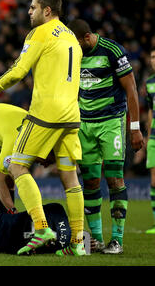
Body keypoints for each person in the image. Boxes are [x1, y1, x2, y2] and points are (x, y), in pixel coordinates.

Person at [0, 0, 85, 256]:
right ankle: (78, 243)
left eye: (33, 7)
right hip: (71, 116)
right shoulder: (71, 37)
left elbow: (18, 72)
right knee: (70, 179)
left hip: (45, 114)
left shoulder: (39, 33)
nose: (28, 12)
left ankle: (42, 228)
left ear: (47, 11)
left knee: (16, 166)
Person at [67, 19, 144, 254]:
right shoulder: (74, 54)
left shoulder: (112, 51)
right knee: (90, 182)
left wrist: (135, 127)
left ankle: (117, 240)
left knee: (114, 178)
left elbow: (131, 89)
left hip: (111, 122)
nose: (76, 49)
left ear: (88, 37)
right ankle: (97, 240)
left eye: (78, 44)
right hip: (85, 125)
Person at [145, 47, 155, 234]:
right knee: (154, 181)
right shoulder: (150, 83)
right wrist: (147, 136)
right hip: (154, 137)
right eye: (152, 57)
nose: (154, 60)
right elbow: (150, 110)